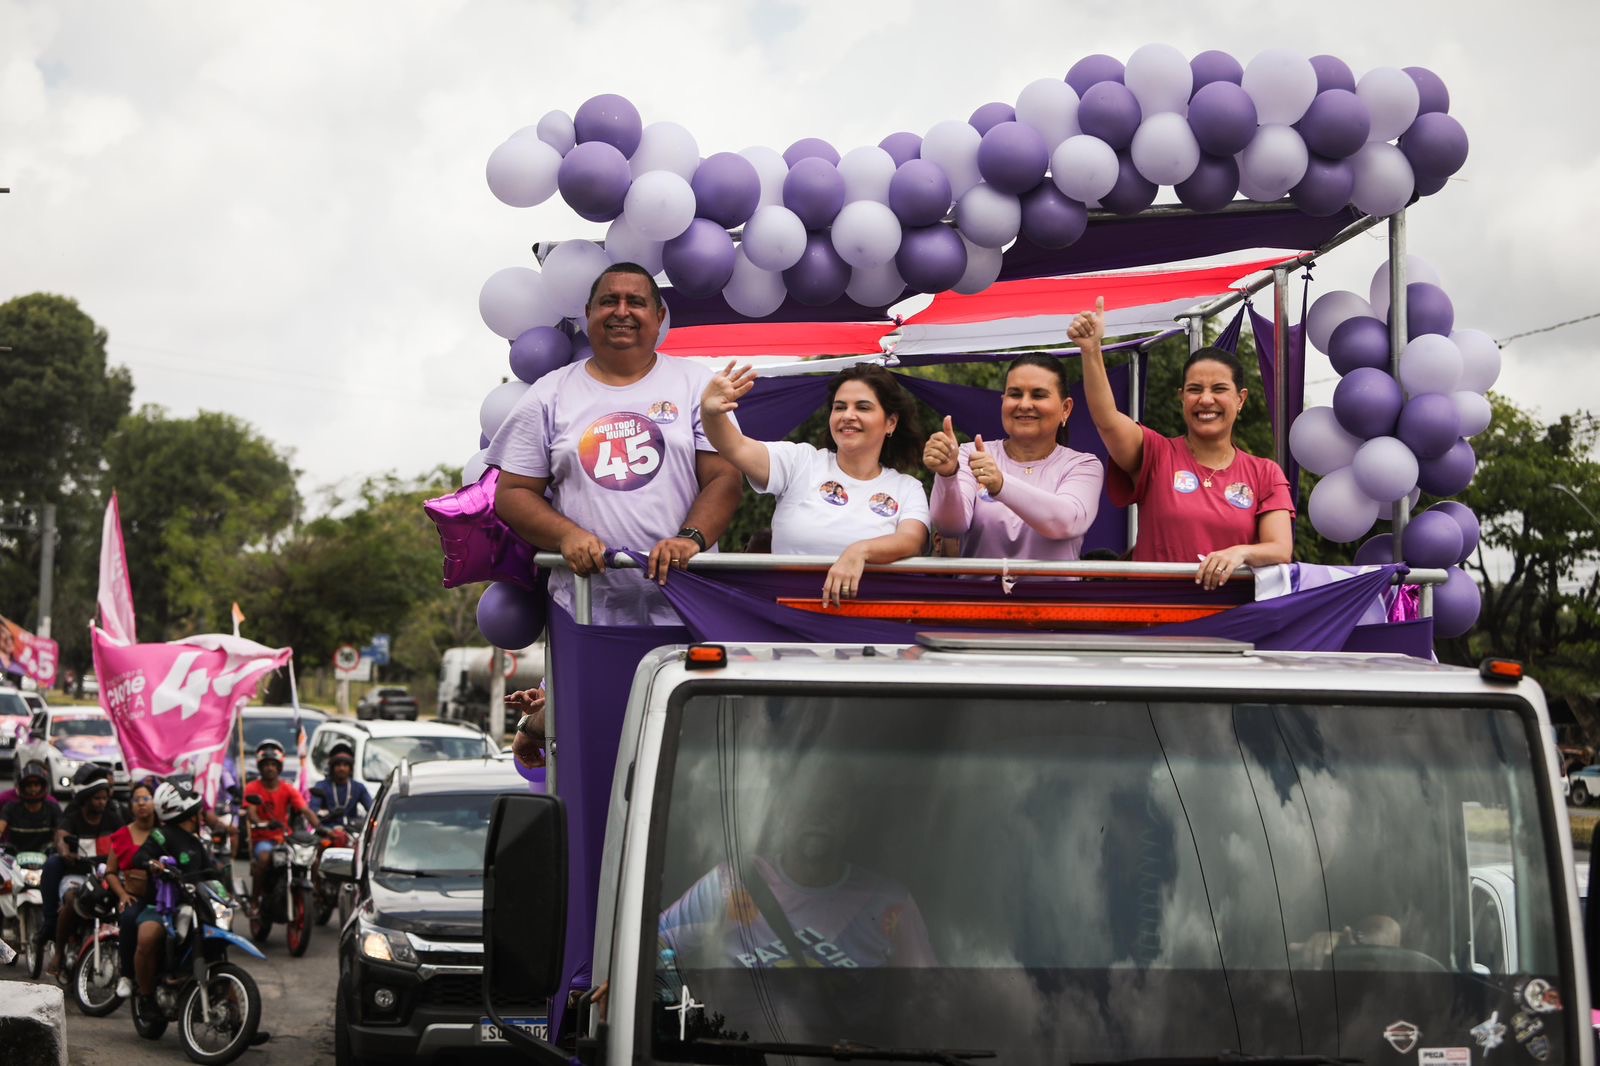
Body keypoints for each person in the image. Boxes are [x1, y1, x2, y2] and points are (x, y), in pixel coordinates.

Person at [488, 263, 743, 625]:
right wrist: (566, 535)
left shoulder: (697, 384)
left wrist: (690, 539)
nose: (621, 311)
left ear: (659, 317)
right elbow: (513, 493)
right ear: (589, 314)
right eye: (609, 301)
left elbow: (725, 480)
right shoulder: (550, 392)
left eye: (635, 302)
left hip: (686, 606)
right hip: (582, 609)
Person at [1073, 297, 1294, 588]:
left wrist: (1240, 553)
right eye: (1194, 389)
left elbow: (1280, 549)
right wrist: (1091, 350)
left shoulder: (1265, 473)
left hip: (1232, 619)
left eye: (1219, 389)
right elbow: (1107, 419)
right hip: (1157, 617)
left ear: (1240, 400)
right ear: (1182, 397)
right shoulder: (1156, 453)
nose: (1205, 399)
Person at [700, 363, 930, 605]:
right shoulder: (800, 461)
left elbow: (912, 541)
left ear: (891, 422)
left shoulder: (907, 487)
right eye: (839, 407)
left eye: (862, 407)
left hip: (870, 627)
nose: (847, 415)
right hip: (788, 623)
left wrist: (859, 551)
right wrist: (711, 413)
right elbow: (735, 447)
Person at [658, 788, 936, 970]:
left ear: (851, 819)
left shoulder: (890, 903)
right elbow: (655, 946)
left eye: (832, 806)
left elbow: (927, 996)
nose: (816, 817)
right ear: (782, 816)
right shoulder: (731, 882)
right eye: (805, 803)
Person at [924, 353, 1105, 561]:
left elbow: (1066, 522)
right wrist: (948, 475)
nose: (1025, 404)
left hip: (1055, 593)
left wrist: (1001, 485)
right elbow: (950, 526)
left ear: (1065, 409)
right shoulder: (971, 454)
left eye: (1038, 395)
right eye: (1015, 394)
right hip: (978, 592)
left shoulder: (1082, 465)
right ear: (1003, 402)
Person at [131, 781, 221, 1019]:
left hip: (194, 907)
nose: (201, 817)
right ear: (187, 814)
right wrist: (153, 864)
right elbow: (140, 856)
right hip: (160, 907)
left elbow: (210, 873)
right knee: (148, 937)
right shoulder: (161, 835)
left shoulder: (197, 843)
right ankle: (146, 996)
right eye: (197, 813)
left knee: (218, 943)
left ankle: (233, 1013)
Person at [48, 764, 127, 978]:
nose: (102, 802)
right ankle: (59, 954)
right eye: (97, 798)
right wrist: (65, 852)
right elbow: (61, 837)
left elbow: (124, 842)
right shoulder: (72, 818)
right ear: (87, 798)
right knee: (72, 899)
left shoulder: (114, 819)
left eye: (104, 798)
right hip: (77, 875)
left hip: (105, 876)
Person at [243, 741, 319, 914]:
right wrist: (263, 823)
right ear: (260, 767)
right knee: (263, 859)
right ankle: (255, 902)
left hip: (286, 838)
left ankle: (313, 896)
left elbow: (305, 810)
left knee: (312, 859)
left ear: (279, 767)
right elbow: (251, 813)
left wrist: (320, 827)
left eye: (273, 764)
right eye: (266, 765)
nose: (270, 768)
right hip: (263, 839)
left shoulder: (288, 789)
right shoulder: (252, 787)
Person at [104, 778, 158, 998]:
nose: (142, 804)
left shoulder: (165, 832)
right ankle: (126, 975)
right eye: (137, 800)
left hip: (163, 898)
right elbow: (110, 872)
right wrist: (123, 894)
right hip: (136, 897)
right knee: (128, 919)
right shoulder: (122, 835)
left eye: (146, 798)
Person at [308, 742, 372, 831]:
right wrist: (326, 814)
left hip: (351, 832)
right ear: (332, 768)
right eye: (338, 765)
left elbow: (372, 809)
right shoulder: (321, 786)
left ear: (350, 769)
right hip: (327, 832)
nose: (341, 768)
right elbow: (313, 810)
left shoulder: (358, 787)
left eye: (345, 765)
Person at [0, 758, 60, 852]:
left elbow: (61, 833)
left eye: (36, 785)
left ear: (43, 786)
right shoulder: (9, 806)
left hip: (46, 857)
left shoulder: (53, 807)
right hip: (12, 856)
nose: (33, 789)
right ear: (22, 787)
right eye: (29, 785)